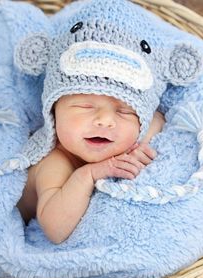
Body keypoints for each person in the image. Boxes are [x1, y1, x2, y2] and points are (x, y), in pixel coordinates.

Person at [17, 92, 165, 244]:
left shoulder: (120, 140)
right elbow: (55, 230)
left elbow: (157, 118)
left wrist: (139, 147)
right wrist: (87, 175)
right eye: (86, 106)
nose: (105, 121)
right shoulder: (53, 161)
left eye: (125, 111)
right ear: (53, 113)